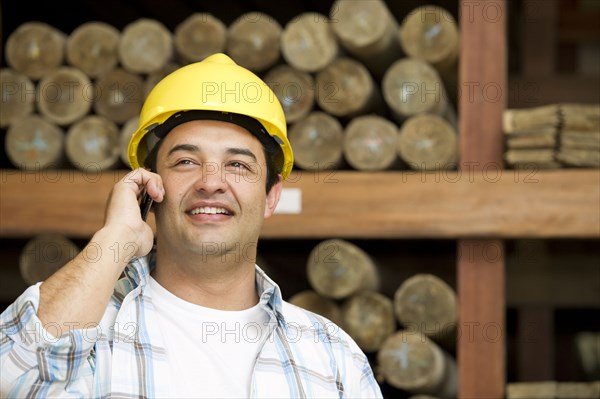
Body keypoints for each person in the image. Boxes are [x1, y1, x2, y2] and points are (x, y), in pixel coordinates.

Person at [0, 53, 383, 398]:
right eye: (185, 161)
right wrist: (116, 240)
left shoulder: (332, 357)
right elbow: (10, 378)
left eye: (237, 164)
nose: (211, 181)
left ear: (271, 196)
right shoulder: (87, 334)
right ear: (149, 185)